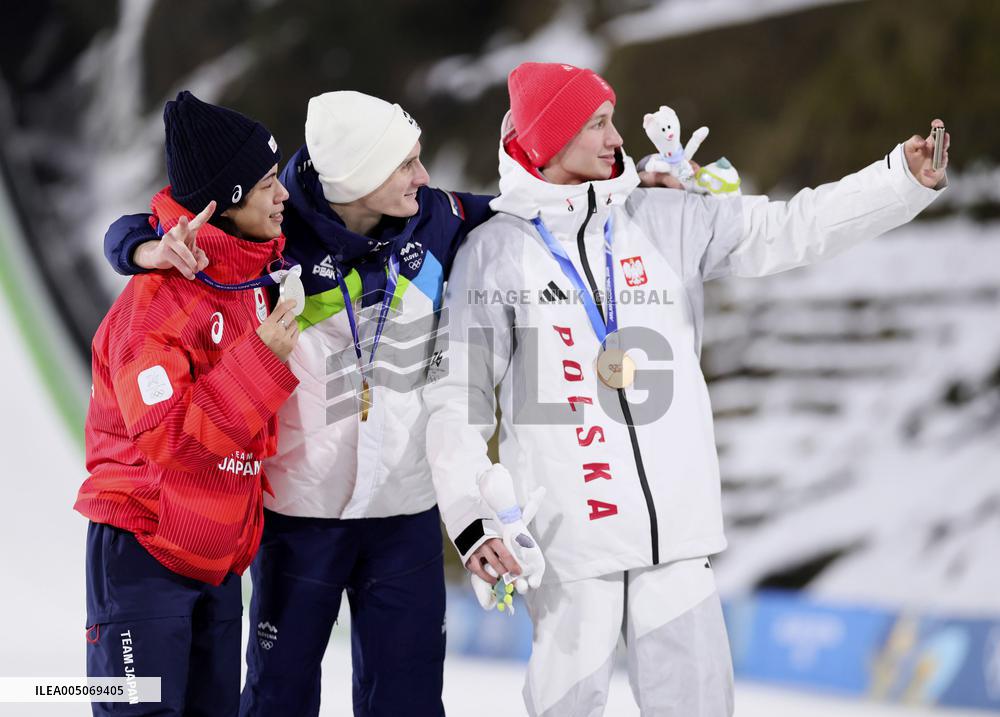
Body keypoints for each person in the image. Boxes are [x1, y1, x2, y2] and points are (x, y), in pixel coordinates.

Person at [422, 62, 949, 716]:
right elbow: (454, 403)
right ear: (552, 139)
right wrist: (475, 523)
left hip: (677, 534)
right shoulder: (495, 253)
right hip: (569, 546)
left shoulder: (664, 216)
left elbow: (790, 228)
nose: (617, 137)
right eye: (597, 123)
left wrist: (896, 181)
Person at [103, 91, 496, 716]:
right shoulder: (271, 236)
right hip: (297, 517)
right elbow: (162, 230)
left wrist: (639, 188)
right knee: (275, 699)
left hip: (404, 509)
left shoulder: (434, 218)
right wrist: (139, 250)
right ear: (361, 175)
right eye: (404, 164)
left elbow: (531, 207)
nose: (423, 177)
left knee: (410, 702)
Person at [76, 91, 300, 716]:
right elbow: (172, 438)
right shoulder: (151, 309)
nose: (282, 195)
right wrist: (262, 362)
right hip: (143, 553)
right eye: (266, 184)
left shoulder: (251, 276)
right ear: (226, 201)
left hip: (216, 560)